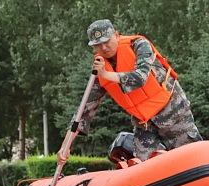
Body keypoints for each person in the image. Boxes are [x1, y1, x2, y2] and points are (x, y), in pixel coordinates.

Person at [80, 19, 202, 161]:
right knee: (146, 163)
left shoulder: (138, 45)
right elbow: (85, 108)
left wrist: (107, 75)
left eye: (107, 41)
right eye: (98, 45)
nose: (104, 47)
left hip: (171, 110)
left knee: (191, 157)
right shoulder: (100, 67)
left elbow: (140, 78)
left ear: (116, 35)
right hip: (144, 122)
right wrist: (66, 145)